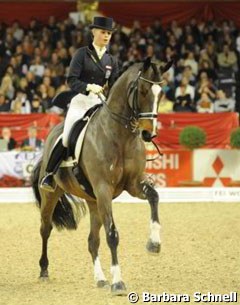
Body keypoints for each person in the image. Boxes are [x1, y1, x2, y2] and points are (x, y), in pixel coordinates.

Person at [40, 16, 119, 191]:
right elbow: (71, 80)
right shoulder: (82, 54)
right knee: (67, 135)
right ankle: (49, 175)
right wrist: (88, 86)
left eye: (108, 33)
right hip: (81, 101)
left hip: (100, 103)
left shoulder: (111, 60)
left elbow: (114, 85)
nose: (106, 36)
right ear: (94, 32)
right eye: (103, 32)